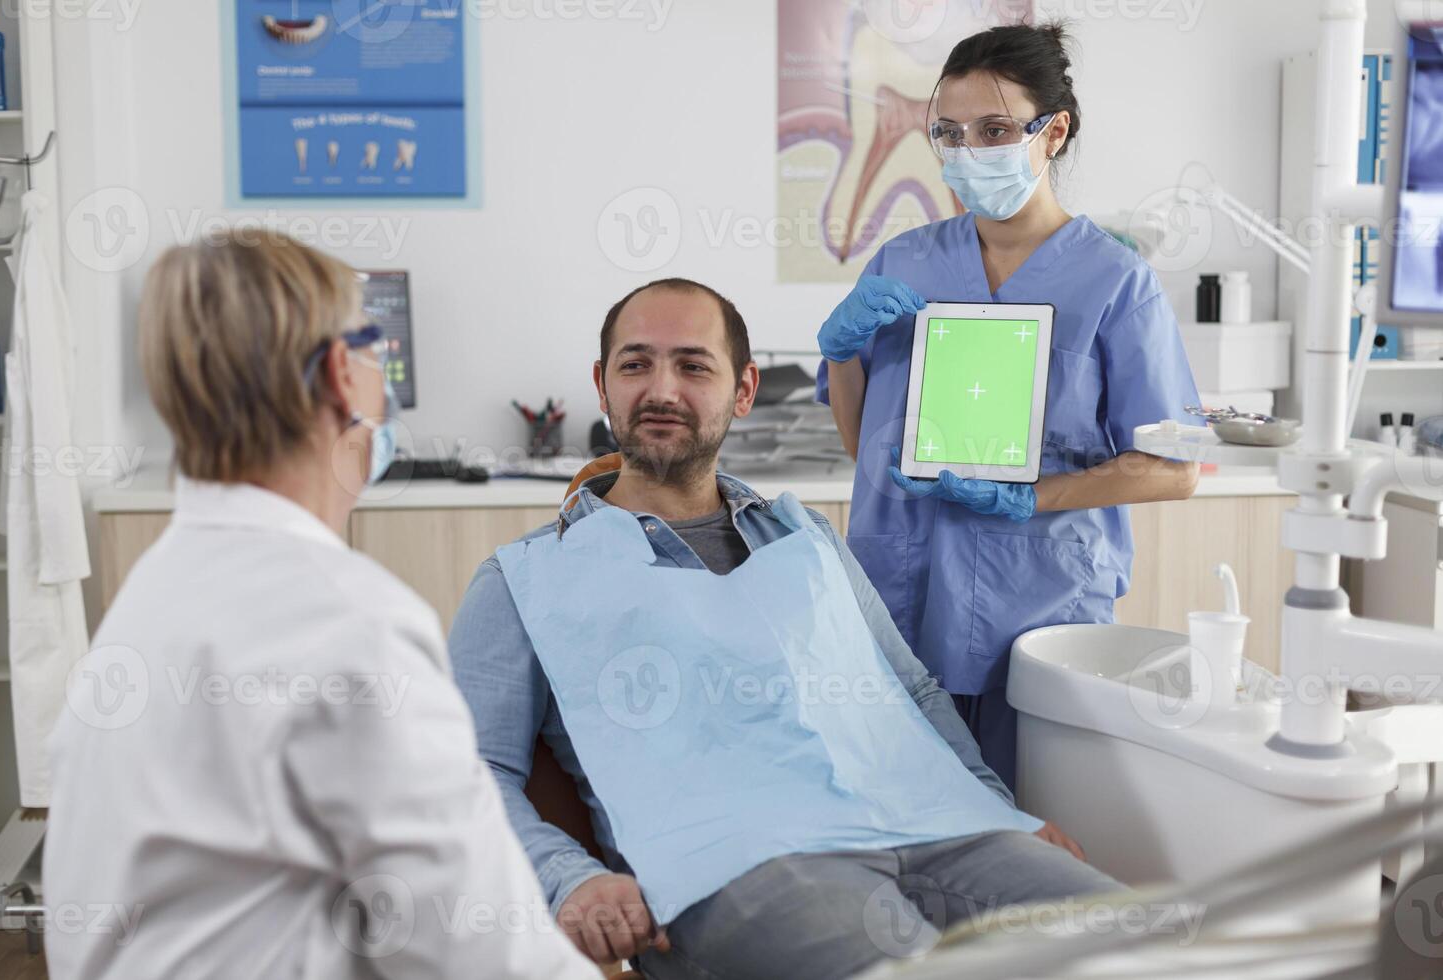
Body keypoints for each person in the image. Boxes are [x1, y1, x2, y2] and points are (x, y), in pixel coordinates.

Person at [450, 277, 1125, 980]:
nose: (661, 390)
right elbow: (470, 773)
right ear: (601, 384)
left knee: (1155, 944)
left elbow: (915, 693)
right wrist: (570, 878)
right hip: (736, 865)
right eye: (635, 364)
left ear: (744, 391)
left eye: (692, 366)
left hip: (932, 825)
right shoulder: (525, 578)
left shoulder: (809, 541)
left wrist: (995, 810)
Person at [42, 232, 596, 979]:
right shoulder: (345, 622)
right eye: (373, 349)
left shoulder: (151, 594)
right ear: (342, 372)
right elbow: (482, 948)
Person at [817, 23, 1202, 787]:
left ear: (1052, 131)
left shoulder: (1114, 283)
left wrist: (1031, 496)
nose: (969, 152)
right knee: (912, 834)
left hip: (1041, 607)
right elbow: (865, 444)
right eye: (949, 134)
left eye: (994, 130)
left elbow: (1173, 469)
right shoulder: (905, 262)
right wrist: (840, 353)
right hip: (901, 599)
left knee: (1038, 832)